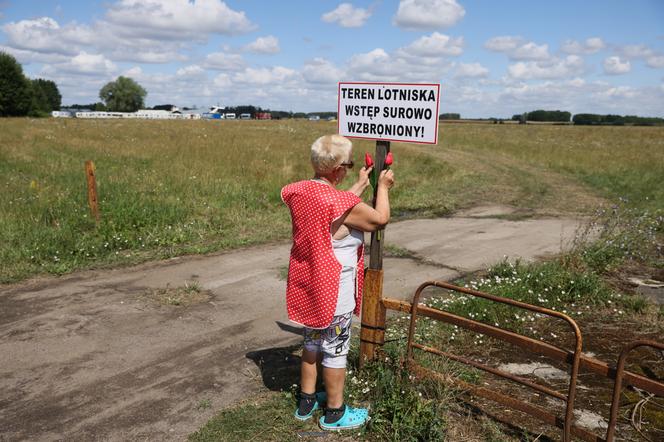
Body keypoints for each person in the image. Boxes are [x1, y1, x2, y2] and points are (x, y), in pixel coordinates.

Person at [281, 134, 394, 431]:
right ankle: (335, 413)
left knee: (312, 342)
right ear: (337, 169)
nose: (349, 169)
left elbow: (332, 206)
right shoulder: (340, 202)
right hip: (335, 289)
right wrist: (382, 187)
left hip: (310, 285)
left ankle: (306, 402)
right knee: (336, 348)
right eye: (349, 163)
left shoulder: (300, 191)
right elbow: (379, 219)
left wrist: (358, 185)